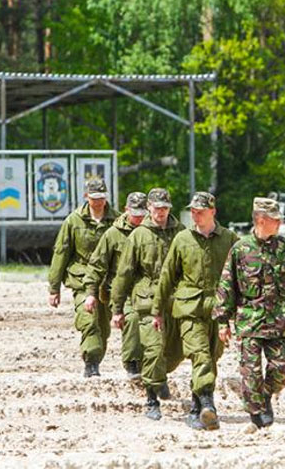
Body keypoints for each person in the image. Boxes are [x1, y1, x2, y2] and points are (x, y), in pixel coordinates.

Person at [213, 197, 285, 429]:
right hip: (250, 322)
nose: (280, 224)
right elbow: (227, 285)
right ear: (261, 220)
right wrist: (222, 322)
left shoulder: (284, 247)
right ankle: (257, 412)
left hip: (279, 321)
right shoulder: (241, 249)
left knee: (283, 367)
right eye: (276, 220)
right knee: (251, 373)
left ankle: (265, 395)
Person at [152, 191, 238, 430]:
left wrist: (240, 309)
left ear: (213, 212)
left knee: (211, 358)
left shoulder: (229, 239)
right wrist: (157, 310)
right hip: (189, 308)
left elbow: (240, 278)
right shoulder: (182, 239)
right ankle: (209, 404)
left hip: (218, 310)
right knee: (200, 356)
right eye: (192, 211)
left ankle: (195, 407)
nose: (195, 216)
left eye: (200, 212)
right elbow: (167, 276)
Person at [111, 188, 185, 420]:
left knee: (174, 352)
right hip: (147, 299)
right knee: (153, 349)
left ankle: (159, 376)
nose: (160, 212)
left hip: (175, 301)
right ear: (149, 208)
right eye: (156, 208)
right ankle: (151, 399)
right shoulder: (138, 235)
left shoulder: (181, 233)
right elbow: (123, 274)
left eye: (164, 208)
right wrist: (117, 309)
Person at [48, 179, 120, 377]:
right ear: (86, 197)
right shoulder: (74, 221)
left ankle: (96, 355)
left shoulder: (117, 220)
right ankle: (91, 363)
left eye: (102, 198)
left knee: (104, 328)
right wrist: (54, 288)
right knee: (89, 320)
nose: (98, 202)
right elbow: (61, 253)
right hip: (82, 279)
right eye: (94, 198)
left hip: (107, 282)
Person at [83, 191, 147, 379]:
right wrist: (91, 293)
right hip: (120, 291)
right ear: (126, 210)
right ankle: (132, 364)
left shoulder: (154, 232)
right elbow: (97, 265)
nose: (139, 218)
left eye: (143, 214)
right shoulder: (113, 234)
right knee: (132, 318)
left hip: (147, 289)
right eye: (135, 214)